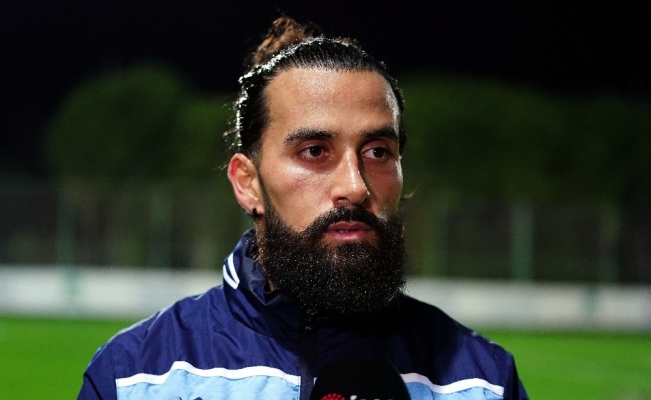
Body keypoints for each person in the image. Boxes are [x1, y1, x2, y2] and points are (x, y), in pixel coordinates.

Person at [78, 16, 529, 400]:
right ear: (247, 183)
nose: (355, 186)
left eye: (377, 152)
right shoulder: (133, 376)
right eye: (314, 151)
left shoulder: (484, 382)